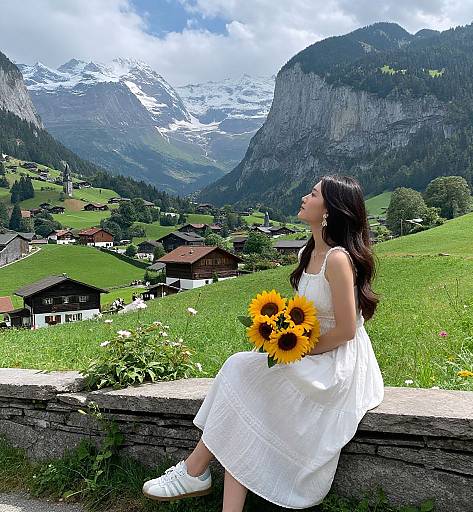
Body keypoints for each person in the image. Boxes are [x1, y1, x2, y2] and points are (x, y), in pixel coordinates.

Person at [142, 175, 385, 510]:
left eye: (312, 194)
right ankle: (202, 480)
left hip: (340, 361)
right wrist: (280, 333)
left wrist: (293, 350)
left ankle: (194, 471)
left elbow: (346, 330)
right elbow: (308, 315)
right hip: (313, 347)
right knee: (243, 379)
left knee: (244, 374)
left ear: (330, 210)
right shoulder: (309, 251)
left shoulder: (338, 259)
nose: (304, 197)